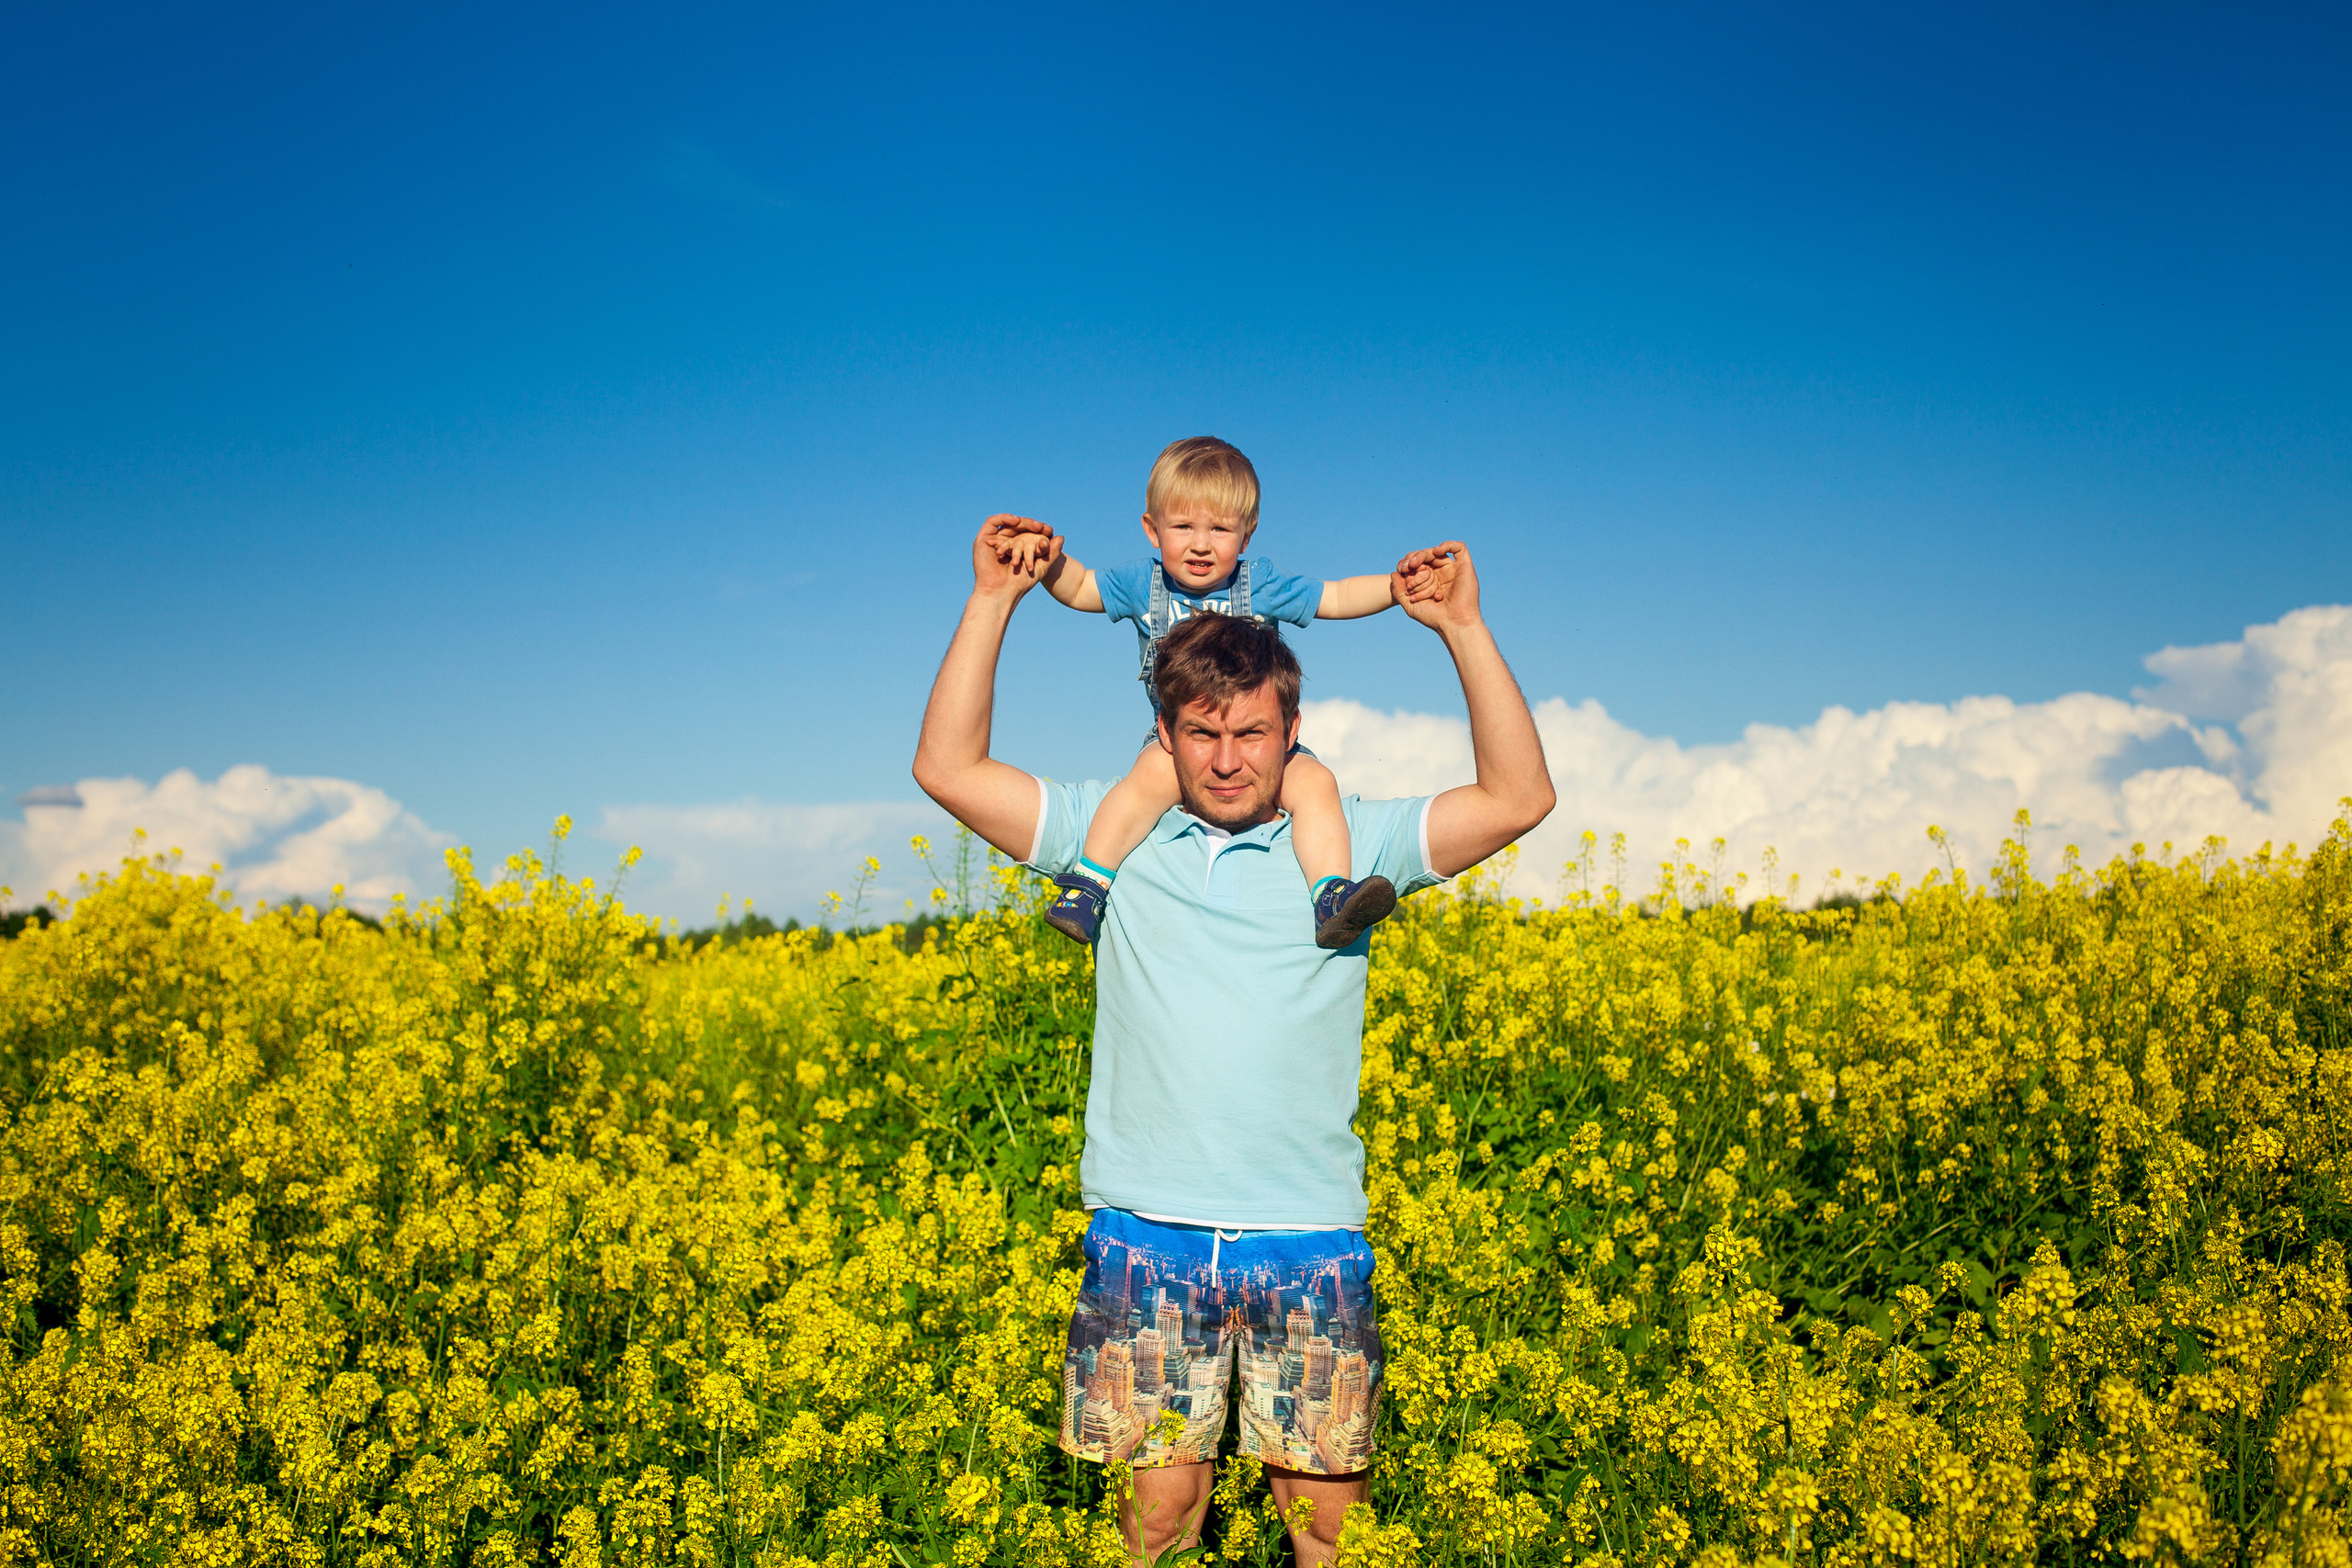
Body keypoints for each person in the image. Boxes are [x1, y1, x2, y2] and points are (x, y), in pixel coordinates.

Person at [912, 515, 1554, 1567]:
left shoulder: (1348, 847)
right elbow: (946, 766)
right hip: (1148, 1239)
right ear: (1162, 736)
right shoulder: (1108, 836)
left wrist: (1463, 630)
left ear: (1290, 732)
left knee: (1325, 1538)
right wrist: (992, 603)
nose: (1225, 761)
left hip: (1308, 1242)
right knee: (1158, 1527)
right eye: (1200, 735)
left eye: (1252, 734)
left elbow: (1521, 798)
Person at [996, 436, 1429, 952]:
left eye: (1220, 529)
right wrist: (1046, 563)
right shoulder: (1143, 585)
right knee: (1142, 785)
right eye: (1183, 528)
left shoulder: (1259, 585)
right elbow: (1082, 589)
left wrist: (1394, 587)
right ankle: (1088, 886)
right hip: (1180, 740)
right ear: (1152, 530)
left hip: (1254, 742)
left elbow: (1333, 597)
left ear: (1246, 536)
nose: (1201, 544)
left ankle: (1330, 895)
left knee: (1315, 784)